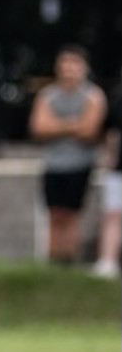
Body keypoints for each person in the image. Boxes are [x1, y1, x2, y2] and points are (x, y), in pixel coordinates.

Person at [29, 45, 107, 264]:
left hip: (80, 165)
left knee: (72, 215)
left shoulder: (93, 96)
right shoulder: (48, 95)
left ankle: (68, 262)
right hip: (53, 165)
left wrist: (57, 126)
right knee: (54, 214)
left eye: (75, 64)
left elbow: (89, 130)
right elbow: (39, 127)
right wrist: (73, 125)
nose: (69, 69)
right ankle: (53, 262)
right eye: (65, 63)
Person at [91, 85, 121, 278]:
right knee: (112, 215)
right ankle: (108, 261)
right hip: (118, 170)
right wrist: (109, 158)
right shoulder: (119, 103)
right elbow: (111, 133)